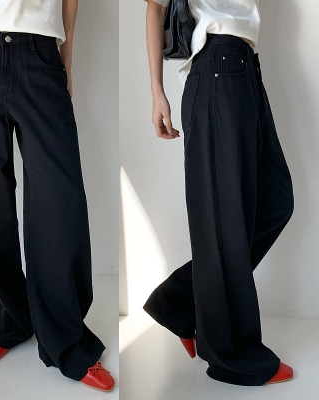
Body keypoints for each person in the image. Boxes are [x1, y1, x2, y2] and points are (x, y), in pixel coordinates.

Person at [0, 0, 114, 392]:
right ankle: (9, 320)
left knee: (60, 204)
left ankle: (66, 339)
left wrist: (65, 62)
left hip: (40, 55)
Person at [141, 0, 295, 386]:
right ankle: (231, 355)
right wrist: (157, 92)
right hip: (217, 67)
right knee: (222, 221)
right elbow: (155, 7)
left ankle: (178, 301)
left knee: (276, 201)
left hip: (245, 71)